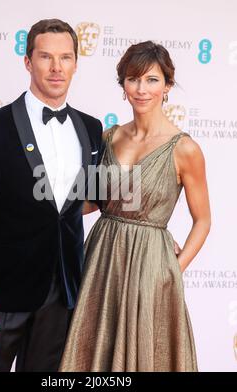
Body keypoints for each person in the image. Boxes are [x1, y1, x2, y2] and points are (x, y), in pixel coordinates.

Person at [0, 19, 102, 372]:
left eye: (65, 58)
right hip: (0, 295)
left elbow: (88, 201)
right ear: (27, 61)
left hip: (62, 293)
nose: (56, 67)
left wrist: (154, 230)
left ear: (76, 64)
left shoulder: (90, 128)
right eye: (46, 57)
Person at [59, 41, 211, 372]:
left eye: (152, 80)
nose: (141, 89)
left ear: (168, 85)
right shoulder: (108, 137)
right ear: (123, 85)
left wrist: (173, 268)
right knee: (92, 354)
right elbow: (93, 202)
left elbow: (203, 220)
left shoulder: (184, 149)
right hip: (102, 257)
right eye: (133, 79)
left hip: (151, 264)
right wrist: (46, 205)